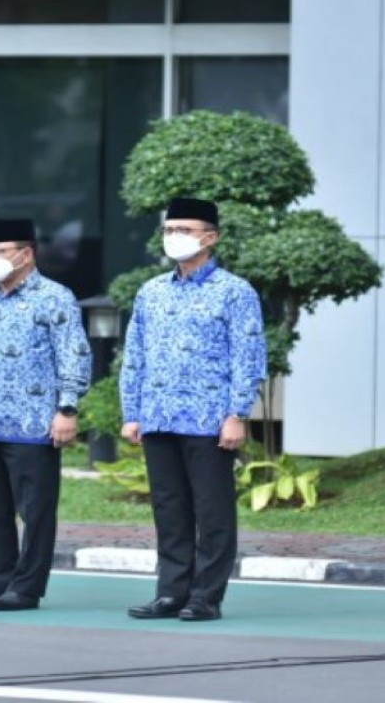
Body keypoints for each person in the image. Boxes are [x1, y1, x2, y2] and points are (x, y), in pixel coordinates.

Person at [119, 197, 267, 622]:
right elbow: (136, 355)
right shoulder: (152, 292)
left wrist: (237, 413)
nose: (173, 237)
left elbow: (248, 356)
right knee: (169, 508)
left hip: (209, 419)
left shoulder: (235, 292)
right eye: (168, 229)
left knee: (212, 510)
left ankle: (205, 597)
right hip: (159, 416)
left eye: (184, 229)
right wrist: (132, 412)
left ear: (211, 237)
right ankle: (170, 592)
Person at [0, 218, 92, 612]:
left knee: (36, 510)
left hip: (33, 423)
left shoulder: (55, 297)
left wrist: (68, 408)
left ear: (25, 254)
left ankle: (26, 588)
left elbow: (74, 354)